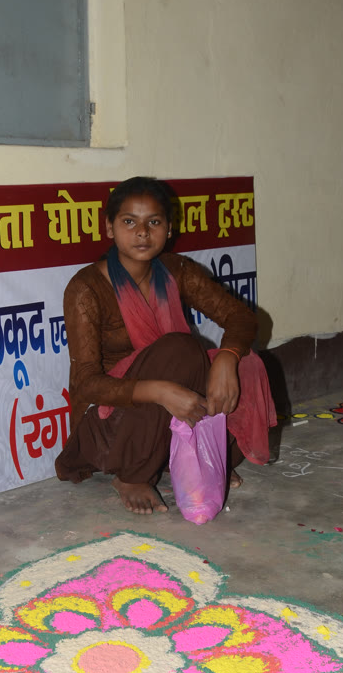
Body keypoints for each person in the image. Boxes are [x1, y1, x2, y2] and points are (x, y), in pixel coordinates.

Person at [55, 176, 276, 514]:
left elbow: (240, 318)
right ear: (110, 228)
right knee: (180, 350)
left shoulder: (177, 270)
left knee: (246, 365)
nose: (143, 232)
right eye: (130, 222)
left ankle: (194, 457)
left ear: (169, 229)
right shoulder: (86, 288)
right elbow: (86, 384)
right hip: (113, 426)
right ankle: (132, 476)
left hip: (169, 408)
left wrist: (227, 358)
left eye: (154, 222)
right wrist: (160, 391)